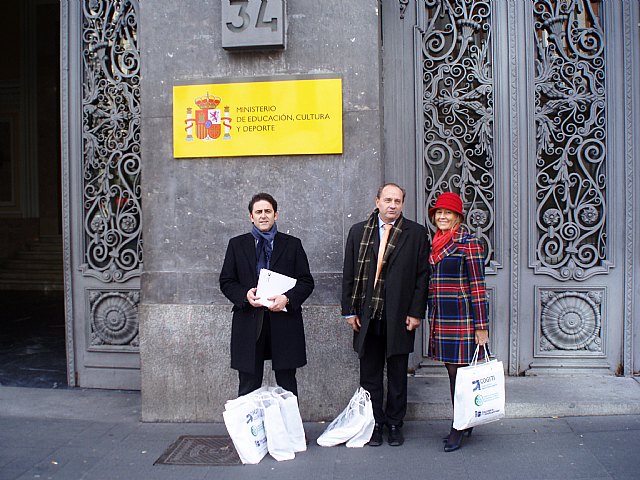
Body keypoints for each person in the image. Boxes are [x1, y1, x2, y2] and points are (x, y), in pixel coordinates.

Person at [341, 183, 430, 447]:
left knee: (397, 373)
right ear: (377, 200)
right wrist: (348, 310)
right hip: (367, 315)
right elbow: (348, 273)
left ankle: (394, 424)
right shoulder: (359, 232)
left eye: (398, 201)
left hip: (400, 316)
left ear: (403, 204)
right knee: (369, 373)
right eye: (388, 200)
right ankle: (374, 423)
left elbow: (422, 276)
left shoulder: (415, 233)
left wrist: (416, 312)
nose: (393, 205)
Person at [219, 192, 314, 397]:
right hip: (249, 323)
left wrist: (287, 299)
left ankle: (289, 429)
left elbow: (306, 282)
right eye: (258, 212)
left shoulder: (292, 244)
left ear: (276, 215)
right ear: (251, 217)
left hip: (284, 322)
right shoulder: (237, 245)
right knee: (248, 384)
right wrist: (245, 295)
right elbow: (226, 281)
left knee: (287, 384)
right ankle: (249, 429)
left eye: (268, 211)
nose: (263, 216)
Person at [426, 191, 489, 452]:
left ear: (457, 217)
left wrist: (481, 327)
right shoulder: (434, 243)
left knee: (459, 375)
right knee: (453, 372)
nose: (442, 216)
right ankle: (465, 420)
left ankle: (458, 426)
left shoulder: (469, 243)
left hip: (462, 317)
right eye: (438, 212)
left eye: (447, 213)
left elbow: (478, 286)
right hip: (442, 315)